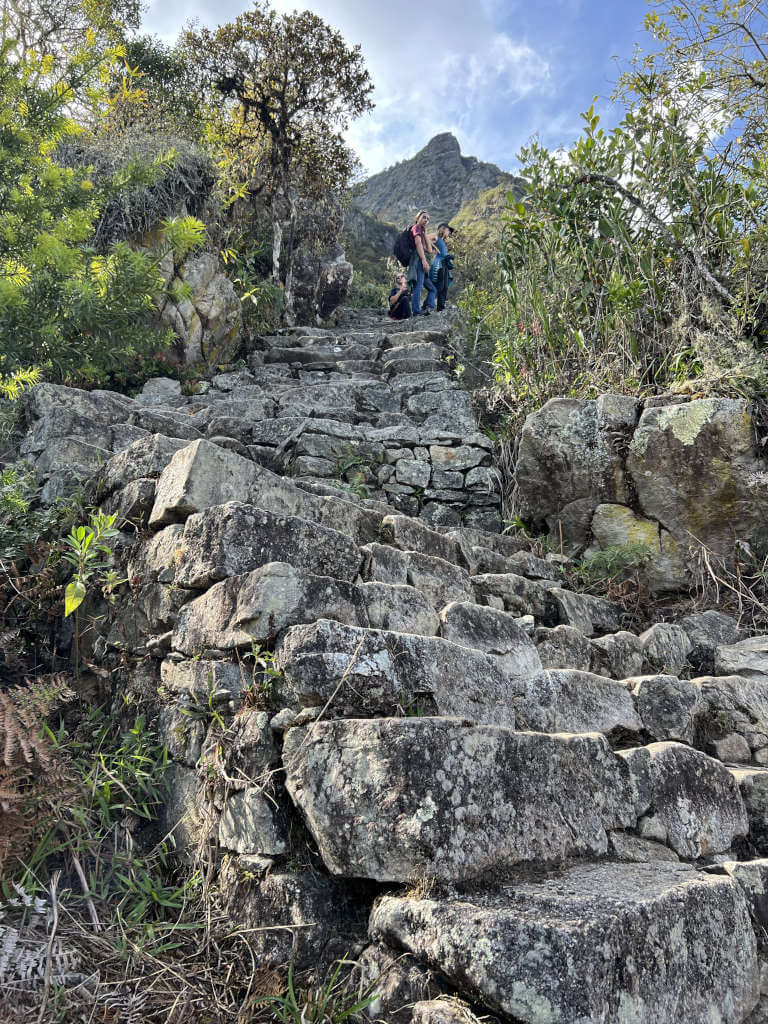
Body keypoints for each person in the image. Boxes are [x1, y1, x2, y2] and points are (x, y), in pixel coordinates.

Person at [407, 210, 436, 317]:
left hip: (422, 262)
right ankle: (416, 312)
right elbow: (418, 243)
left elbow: (429, 250)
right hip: (418, 261)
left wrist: (425, 234)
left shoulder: (422, 231)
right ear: (417, 218)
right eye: (424, 217)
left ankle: (428, 307)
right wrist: (424, 260)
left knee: (432, 289)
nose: (426, 220)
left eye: (428, 219)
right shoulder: (416, 228)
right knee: (418, 287)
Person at [430, 223, 454, 311]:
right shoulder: (436, 237)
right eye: (448, 230)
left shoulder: (443, 242)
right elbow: (425, 237)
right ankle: (427, 305)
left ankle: (441, 306)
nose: (449, 233)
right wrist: (434, 248)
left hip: (444, 264)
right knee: (439, 286)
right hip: (438, 264)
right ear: (443, 229)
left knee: (444, 287)